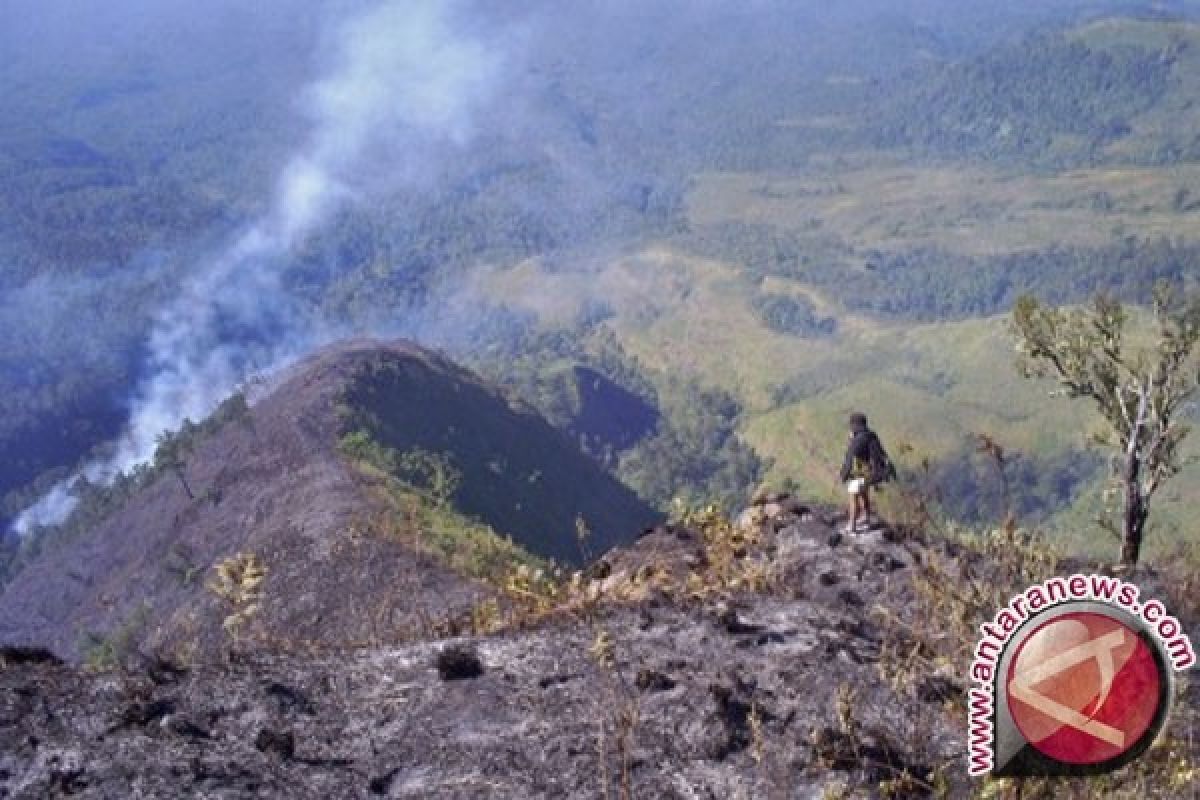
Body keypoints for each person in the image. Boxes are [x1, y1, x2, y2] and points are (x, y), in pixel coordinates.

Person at [837, 412, 894, 533]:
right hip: (869, 474)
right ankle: (866, 519)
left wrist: (843, 475)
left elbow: (850, 458)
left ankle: (852, 527)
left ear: (854, 425)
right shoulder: (871, 435)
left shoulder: (858, 440)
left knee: (853, 498)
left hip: (858, 474)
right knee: (864, 495)